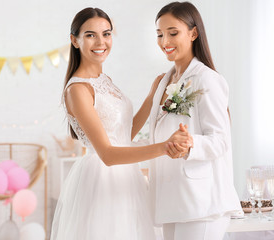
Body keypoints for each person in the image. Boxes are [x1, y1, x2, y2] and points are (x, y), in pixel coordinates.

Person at [50, 7, 192, 240]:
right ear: (74, 41)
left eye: (106, 34)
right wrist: (165, 147)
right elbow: (107, 154)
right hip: (102, 179)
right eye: (90, 35)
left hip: (127, 178)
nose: (101, 42)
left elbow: (125, 134)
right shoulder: (78, 89)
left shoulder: (104, 80)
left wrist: (152, 96)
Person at [148, 2, 242, 240]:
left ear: (193, 33)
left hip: (201, 204)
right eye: (160, 34)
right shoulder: (163, 82)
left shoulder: (207, 79)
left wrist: (191, 144)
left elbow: (220, 140)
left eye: (173, 33)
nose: (164, 41)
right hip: (171, 201)